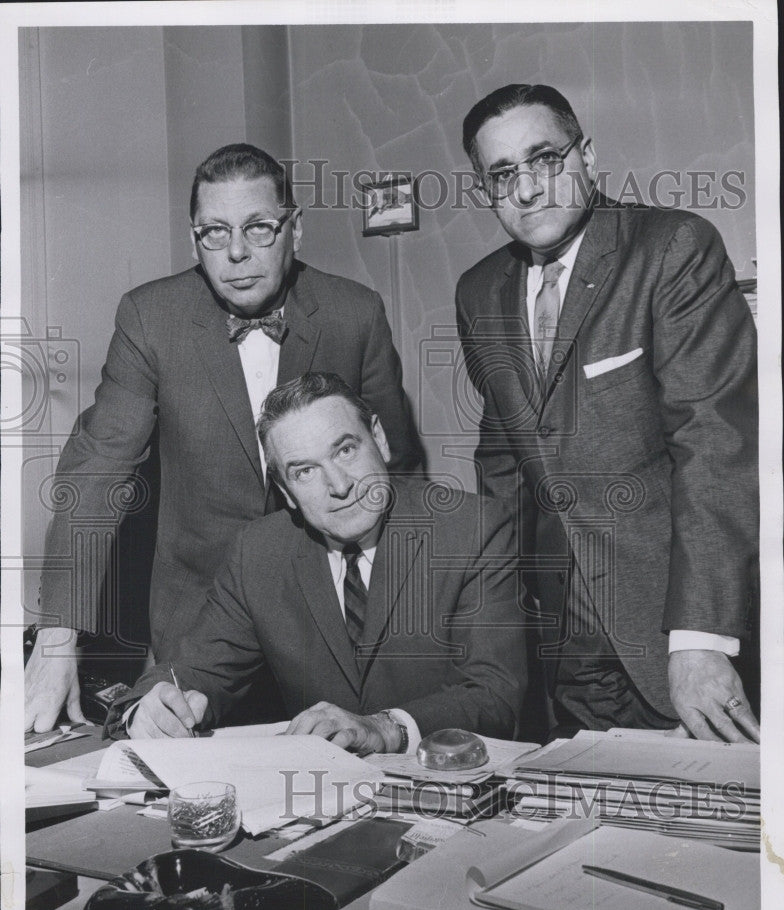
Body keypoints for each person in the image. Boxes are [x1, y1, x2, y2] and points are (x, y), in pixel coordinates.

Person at [25, 144, 422, 733]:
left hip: (334, 624)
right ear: (194, 241)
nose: (237, 252)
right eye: (215, 232)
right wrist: (58, 637)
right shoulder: (150, 317)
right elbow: (96, 469)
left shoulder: (353, 312)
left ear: (295, 230)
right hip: (198, 629)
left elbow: (401, 470)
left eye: (259, 228)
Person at [456, 84, 758, 742]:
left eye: (545, 159)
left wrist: (701, 640)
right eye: (503, 174)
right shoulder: (479, 292)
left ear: (586, 154)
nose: (528, 189)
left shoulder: (673, 249)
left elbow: (717, 448)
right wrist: (501, 628)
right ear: (485, 188)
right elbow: (503, 465)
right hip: (564, 645)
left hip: (674, 631)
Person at [107, 373, 524, 751]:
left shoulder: (472, 529)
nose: (339, 486)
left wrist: (384, 727)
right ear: (286, 492)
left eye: (345, 450)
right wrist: (149, 707)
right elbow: (192, 670)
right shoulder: (259, 552)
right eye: (305, 471)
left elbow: (496, 694)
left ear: (379, 439)